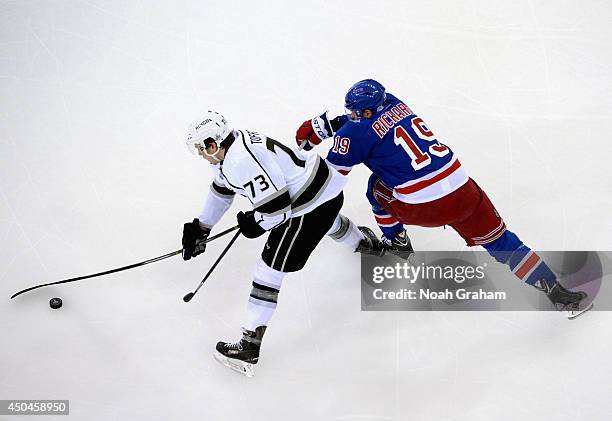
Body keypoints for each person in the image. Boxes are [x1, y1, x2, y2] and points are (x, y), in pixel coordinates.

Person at [295, 79, 592, 319]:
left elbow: (331, 178)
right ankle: (558, 293)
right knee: (501, 241)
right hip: (464, 192)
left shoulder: (353, 133)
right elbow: (358, 123)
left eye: (354, 112)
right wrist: (329, 125)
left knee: (376, 188)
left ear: (366, 112)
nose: (350, 116)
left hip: (423, 208)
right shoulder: (395, 102)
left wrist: (303, 178)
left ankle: (397, 241)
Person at [181, 111, 384, 377]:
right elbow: (222, 189)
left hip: (308, 208)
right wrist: (202, 227)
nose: (200, 154)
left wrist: (256, 223)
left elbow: (278, 210)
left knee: (268, 270)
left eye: (201, 148)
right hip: (327, 189)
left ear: (212, 144)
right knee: (328, 220)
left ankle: (249, 345)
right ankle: (367, 245)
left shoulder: (240, 161)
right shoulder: (233, 146)